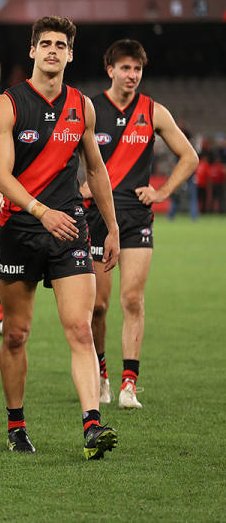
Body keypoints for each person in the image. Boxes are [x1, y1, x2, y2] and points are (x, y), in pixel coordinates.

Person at [0, 16, 120, 459]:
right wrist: (41, 212)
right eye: (44, 43)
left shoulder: (82, 105)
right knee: (16, 335)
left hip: (69, 230)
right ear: (32, 51)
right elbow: (0, 176)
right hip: (20, 229)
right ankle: (16, 426)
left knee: (80, 329)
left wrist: (113, 227)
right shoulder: (7, 105)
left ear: (68, 53)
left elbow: (97, 171)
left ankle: (91, 427)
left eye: (60, 44)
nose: (52, 50)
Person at [84, 39, 198, 409]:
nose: (132, 75)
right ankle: (100, 374)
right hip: (97, 216)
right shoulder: (90, 109)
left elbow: (189, 157)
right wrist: (77, 187)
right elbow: (62, 153)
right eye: (126, 68)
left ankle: (129, 384)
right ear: (110, 70)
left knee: (132, 299)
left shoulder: (153, 111)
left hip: (135, 216)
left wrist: (162, 192)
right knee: (98, 306)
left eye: (137, 69)